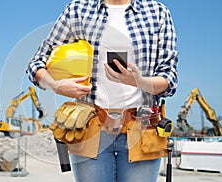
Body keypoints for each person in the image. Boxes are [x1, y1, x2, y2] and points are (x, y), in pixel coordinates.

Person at [27, 0, 178, 181]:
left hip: (142, 131)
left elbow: (169, 79)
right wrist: (56, 86)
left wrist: (139, 81)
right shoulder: (78, 9)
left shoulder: (157, 12)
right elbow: (36, 63)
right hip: (91, 128)